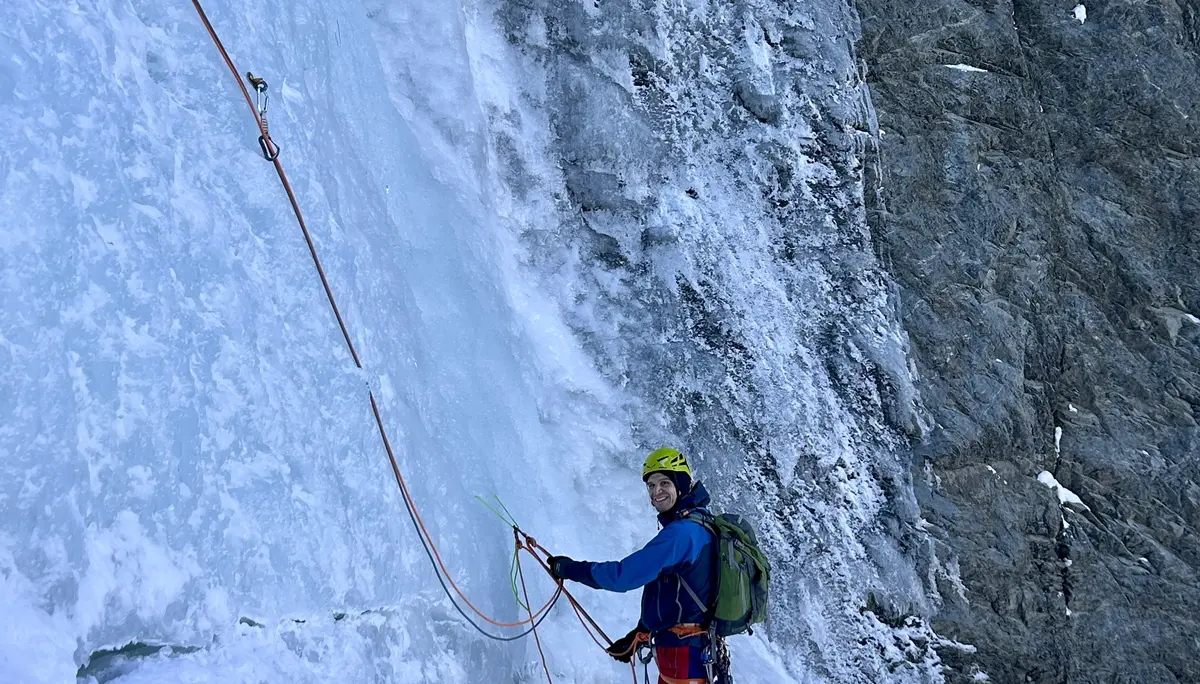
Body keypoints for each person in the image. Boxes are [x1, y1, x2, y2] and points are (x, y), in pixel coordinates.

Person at [548, 447, 718, 684]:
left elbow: (622, 576)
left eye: (665, 483)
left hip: (684, 658)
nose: (656, 492)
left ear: (681, 485)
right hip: (696, 655)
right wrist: (641, 632)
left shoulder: (682, 534)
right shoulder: (703, 524)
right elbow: (681, 591)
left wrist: (568, 569)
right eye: (651, 485)